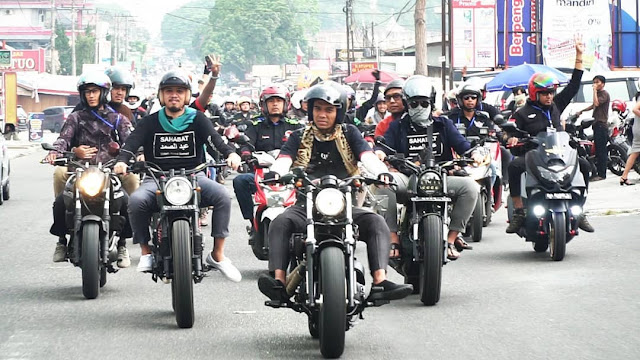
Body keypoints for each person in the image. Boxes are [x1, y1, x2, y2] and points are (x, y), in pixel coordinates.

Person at [256, 81, 413, 302]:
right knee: (279, 223)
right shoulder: (298, 136)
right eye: (318, 108)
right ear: (310, 110)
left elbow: (366, 156)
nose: (322, 114)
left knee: (377, 222)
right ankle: (279, 283)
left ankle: (380, 282)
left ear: (338, 112)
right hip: (307, 206)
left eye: (329, 109)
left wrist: (381, 173)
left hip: (345, 206)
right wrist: (274, 172)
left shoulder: (350, 133)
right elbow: (285, 159)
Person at [113, 70, 243, 281]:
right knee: (136, 201)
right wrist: (122, 161)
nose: (174, 95)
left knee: (222, 196)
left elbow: (215, 141)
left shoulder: (198, 119)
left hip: (194, 176)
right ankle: (146, 252)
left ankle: (218, 254)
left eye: (180, 91)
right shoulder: (149, 122)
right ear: (161, 96)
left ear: (187, 95)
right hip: (156, 178)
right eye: (169, 91)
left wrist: (231, 154)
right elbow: (131, 144)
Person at [376, 75, 482, 260]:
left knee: (471, 187)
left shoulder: (444, 124)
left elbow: (464, 146)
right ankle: (393, 238)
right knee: (382, 185)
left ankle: (451, 238)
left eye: (424, 104)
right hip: (407, 178)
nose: (419, 108)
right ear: (407, 104)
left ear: (431, 103)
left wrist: (475, 154)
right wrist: (379, 153)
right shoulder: (397, 126)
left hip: (441, 177)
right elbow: (383, 146)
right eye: (414, 103)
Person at [45, 71, 136, 267]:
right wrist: (58, 152)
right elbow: (63, 139)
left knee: (127, 200)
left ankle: (122, 244)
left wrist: (136, 156)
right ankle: (62, 240)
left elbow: (132, 142)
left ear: (103, 93)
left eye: (94, 91)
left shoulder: (117, 118)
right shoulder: (76, 117)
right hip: (79, 170)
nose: (91, 95)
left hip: (109, 171)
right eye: (87, 92)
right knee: (61, 200)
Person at [506, 34, 594, 233]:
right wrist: (510, 138)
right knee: (513, 167)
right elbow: (509, 132)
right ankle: (519, 210)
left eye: (551, 92)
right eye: (545, 93)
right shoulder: (522, 113)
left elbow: (573, 86)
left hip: (560, 154)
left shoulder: (556, 106)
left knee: (586, 165)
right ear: (534, 93)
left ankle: (580, 210)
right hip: (533, 156)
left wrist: (579, 55)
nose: (549, 96)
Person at [232, 83, 303, 231]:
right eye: (271, 101)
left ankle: (306, 224)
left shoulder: (296, 126)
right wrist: (245, 155)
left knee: (310, 187)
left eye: (278, 100)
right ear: (264, 104)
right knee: (240, 181)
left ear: (286, 103)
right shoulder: (255, 124)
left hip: (289, 173)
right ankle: (252, 221)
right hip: (262, 173)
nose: (275, 104)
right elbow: (246, 144)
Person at [577, 75, 610, 181]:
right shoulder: (599, 94)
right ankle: (598, 172)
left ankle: (601, 174)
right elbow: (593, 105)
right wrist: (582, 111)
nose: (595, 84)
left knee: (601, 150)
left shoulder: (604, 94)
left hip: (601, 124)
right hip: (596, 125)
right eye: (594, 82)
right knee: (597, 149)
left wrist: (594, 91)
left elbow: (596, 103)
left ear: (603, 84)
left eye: (597, 82)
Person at [620, 90, 640, 186]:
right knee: (634, 152)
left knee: (634, 153)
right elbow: (635, 109)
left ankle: (624, 177)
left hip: (637, 129)